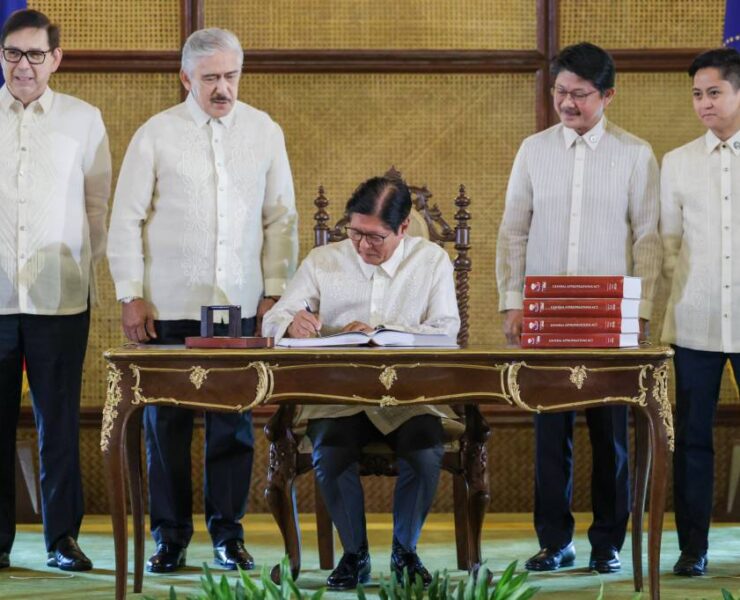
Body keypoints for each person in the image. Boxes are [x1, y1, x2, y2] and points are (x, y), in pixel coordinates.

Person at [107, 27, 298, 573]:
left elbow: (281, 219)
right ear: (186, 77)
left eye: (231, 76)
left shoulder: (264, 131)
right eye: (211, 77)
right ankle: (169, 538)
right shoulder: (156, 134)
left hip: (237, 307)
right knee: (165, 428)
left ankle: (228, 535)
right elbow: (125, 219)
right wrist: (130, 294)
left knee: (232, 426)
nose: (222, 88)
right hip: (168, 308)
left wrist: (275, 293)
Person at [496, 42, 661, 573]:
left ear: (608, 96)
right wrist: (513, 301)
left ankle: (607, 543)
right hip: (546, 314)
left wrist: (640, 311)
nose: (567, 103)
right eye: (560, 91)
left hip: (609, 317)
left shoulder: (635, 154)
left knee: (611, 435)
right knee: (550, 433)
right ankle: (554, 541)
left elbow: (649, 239)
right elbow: (513, 231)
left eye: (580, 94)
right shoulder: (533, 150)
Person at [263, 176, 459, 589]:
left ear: (403, 227)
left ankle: (405, 552)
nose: (362, 245)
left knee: (425, 450)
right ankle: (354, 555)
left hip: (409, 396)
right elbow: (274, 319)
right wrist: (293, 324)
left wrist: (384, 331)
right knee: (331, 451)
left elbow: (446, 329)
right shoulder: (323, 260)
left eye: (375, 237)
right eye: (355, 232)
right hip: (340, 396)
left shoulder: (431, 260)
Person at [0, 9, 111, 571]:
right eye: (13, 53)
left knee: (59, 424)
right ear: (1, 56)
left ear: (55, 59)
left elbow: (97, 207)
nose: (24, 65)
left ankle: (62, 540)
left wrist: (76, 267)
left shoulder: (83, 120)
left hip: (60, 299)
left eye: (35, 54)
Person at [660, 47, 740, 577]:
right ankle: (693, 549)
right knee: (691, 439)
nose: (704, 103)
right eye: (697, 94)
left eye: (714, 92)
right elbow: (669, 245)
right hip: (695, 324)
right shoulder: (678, 162)